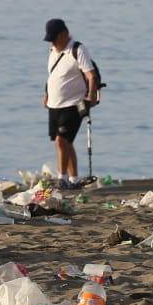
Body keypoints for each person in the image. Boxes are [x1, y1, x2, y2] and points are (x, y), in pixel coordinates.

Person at [42, 18, 99, 188]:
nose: (53, 42)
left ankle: (63, 179)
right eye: (50, 39)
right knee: (65, 142)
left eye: (55, 38)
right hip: (54, 103)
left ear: (64, 34)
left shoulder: (78, 50)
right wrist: (46, 94)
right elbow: (53, 75)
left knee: (62, 140)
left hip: (74, 103)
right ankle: (73, 179)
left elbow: (91, 75)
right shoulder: (52, 50)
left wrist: (92, 94)